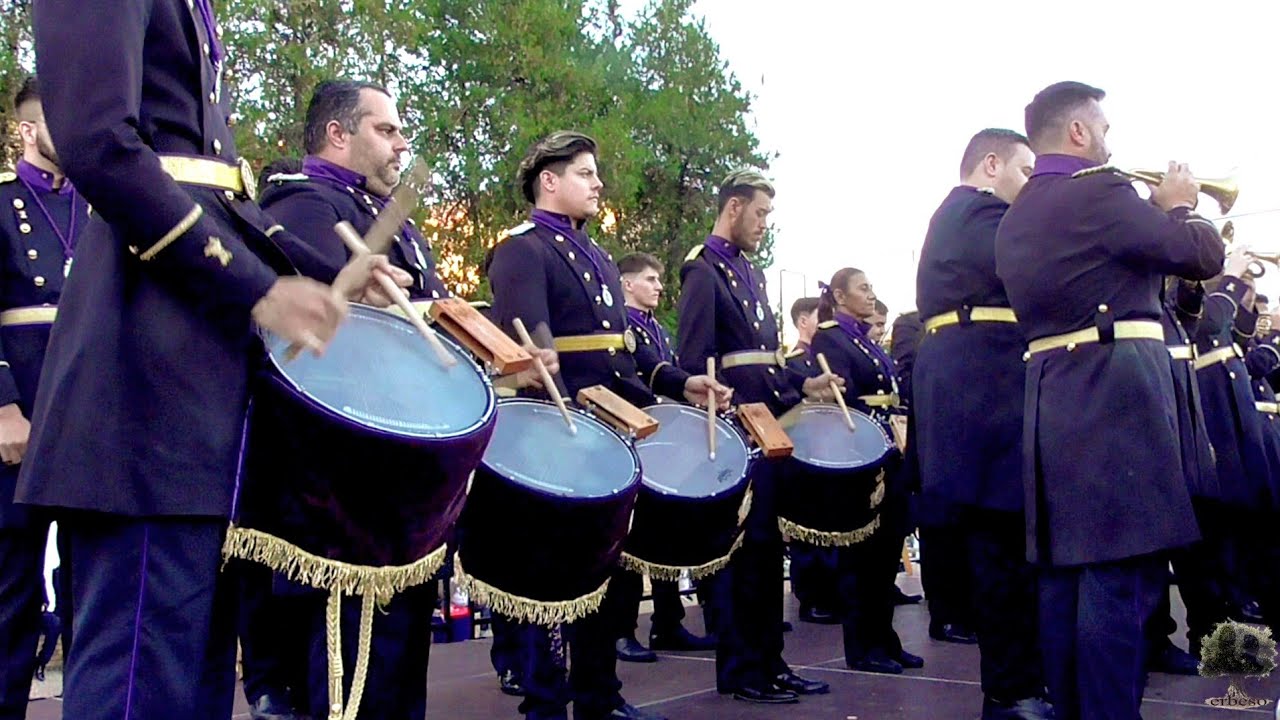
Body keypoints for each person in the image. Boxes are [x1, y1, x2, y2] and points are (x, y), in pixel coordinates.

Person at [25, 4, 412, 717]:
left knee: (192, 678)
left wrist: (314, 277)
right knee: (141, 678)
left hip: (193, 373)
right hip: (145, 373)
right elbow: (100, 143)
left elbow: (210, 185)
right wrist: (257, 290)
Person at [256, 79, 489, 720]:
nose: (400, 144)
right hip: (342, 481)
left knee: (395, 661)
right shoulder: (302, 206)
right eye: (385, 130)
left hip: (399, 475)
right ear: (338, 133)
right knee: (347, 668)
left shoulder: (400, 225)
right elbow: (305, 334)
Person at [994, 81, 1223, 719]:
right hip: (1114, 396)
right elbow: (1200, 252)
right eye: (1103, 127)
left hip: (1054, 398)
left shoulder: (1018, 216)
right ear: (1078, 133)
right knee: (1120, 579)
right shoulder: (1099, 190)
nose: (1108, 140)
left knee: (1067, 582)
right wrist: (1179, 207)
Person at [486, 130, 728, 720]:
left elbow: (627, 350)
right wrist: (570, 420)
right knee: (555, 574)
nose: (598, 185)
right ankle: (546, 701)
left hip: (609, 426)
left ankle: (599, 694)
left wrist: (677, 382)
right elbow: (532, 344)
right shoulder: (523, 248)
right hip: (560, 429)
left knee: (610, 569)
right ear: (550, 180)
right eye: (586, 174)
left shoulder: (593, 255)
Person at [676, 168, 839, 705]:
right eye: (761, 213)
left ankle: (771, 660)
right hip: (736, 430)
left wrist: (803, 384)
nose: (765, 224)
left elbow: (768, 361)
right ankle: (743, 668)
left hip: (768, 423)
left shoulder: (749, 272)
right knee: (744, 555)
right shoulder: (704, 270)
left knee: (768, 553)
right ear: (733, 208)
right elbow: (694, 358)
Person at [914, 128, 1051, 720]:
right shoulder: (979, 210)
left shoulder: (965, 216)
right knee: (1001, 551)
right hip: (986, 395)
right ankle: (1011, 692)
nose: (1031, 187)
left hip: (977, 390)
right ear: (990, 165)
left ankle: (1019, 684)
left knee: (1004, 551)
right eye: (1026, 171)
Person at [0, 75, 87, 720]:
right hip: (19, 420)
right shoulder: (1, 207)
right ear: (27, 130)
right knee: (10, 593)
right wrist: (2, 406)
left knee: (92, 593)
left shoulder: (103, 207)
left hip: (92, 423)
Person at [811, 268, 923, 676]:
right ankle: (863, 647)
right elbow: (845, 399)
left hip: (889, 450)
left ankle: (885, 640)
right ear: (840, 296)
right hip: (863, 456)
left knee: (885, 554)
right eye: (863, 288)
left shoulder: (864, 337)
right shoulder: (832, 337)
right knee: (862, 559)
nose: (871, 295)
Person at [610, 251, 717, 661]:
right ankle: (621, 630)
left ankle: (667, 622)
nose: (658, 286)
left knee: (666, 532)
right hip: (633, 432)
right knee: (631, 539)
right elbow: (644, 376)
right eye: (650, 279)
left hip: (664, 436)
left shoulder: (659, 330)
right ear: (627, 284)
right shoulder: (622, 327)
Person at [782, 297, 839, 625]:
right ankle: (812, 597)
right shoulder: (793, 361)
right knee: (808, 525)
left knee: (831, 523)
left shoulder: (827, 359)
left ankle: (831, 592)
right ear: (804, 321)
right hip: (806, 448)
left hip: (829, 445)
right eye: (822, 317)